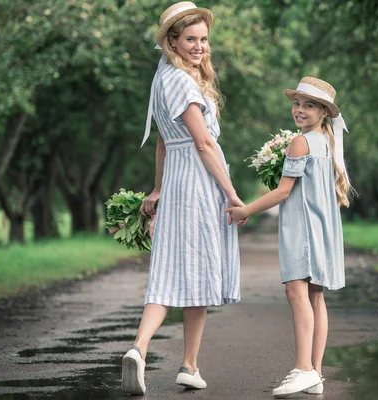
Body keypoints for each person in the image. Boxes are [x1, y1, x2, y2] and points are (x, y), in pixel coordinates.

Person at [121, 2, 245, 395]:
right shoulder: (180, 81)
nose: (199, 47)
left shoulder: (164, 78)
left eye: (204, 40)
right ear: (172, 41)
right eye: (190, 39)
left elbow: (162, 140)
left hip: (176, 179)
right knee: (195, 267)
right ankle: (158, 354)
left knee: (177, 270)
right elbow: (204, 143)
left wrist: (158, 188)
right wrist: (231, 193)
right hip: (197, 181)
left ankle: (171, 359)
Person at [226, 77, 352, 397]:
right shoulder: (324, 140)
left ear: (324, 112)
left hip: (303, 228)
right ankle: (316, 373)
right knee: (315, 297)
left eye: (309, 105)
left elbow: (284, 191)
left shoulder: (300, 142)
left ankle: (303, 368)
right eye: (297, 103)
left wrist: (246, 210)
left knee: (296, 293)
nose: (299, 110)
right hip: (322, 228)